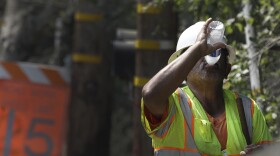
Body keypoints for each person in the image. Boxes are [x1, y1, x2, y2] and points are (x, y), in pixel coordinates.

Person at [141, 18, 272, 156]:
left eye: (215, 51)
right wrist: (197, 48)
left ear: (227, 69)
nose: (208, 57)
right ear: (183, 69)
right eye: (199, 54)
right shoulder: (171, 105)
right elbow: (150, 94)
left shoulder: (248, 109)